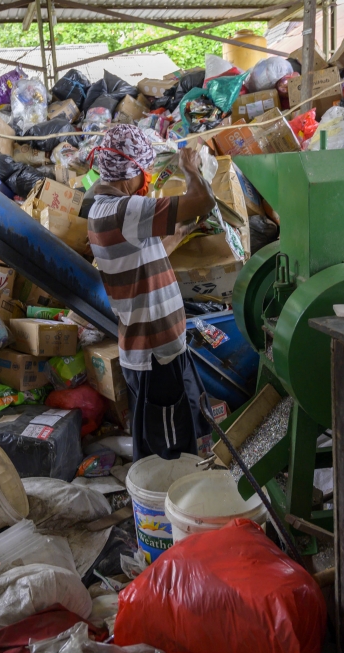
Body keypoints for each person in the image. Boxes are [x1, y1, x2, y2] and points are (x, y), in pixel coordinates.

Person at [87, 124, 216, 462]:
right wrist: (191, 169)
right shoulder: (123, 211)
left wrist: (187, 228)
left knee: (179, 438)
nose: (145, 180)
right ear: (128, 174)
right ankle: (168, 511)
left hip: (157, 353)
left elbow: (153, 248)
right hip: (156, 356)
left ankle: (176, 507)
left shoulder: (105, 210)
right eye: (142, 172)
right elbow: (203, 200)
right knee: (171, 454)